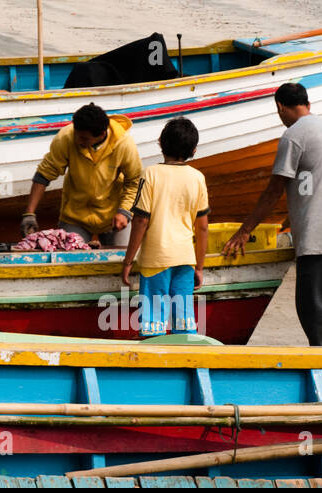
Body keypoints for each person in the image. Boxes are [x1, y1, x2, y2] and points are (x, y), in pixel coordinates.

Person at [223, 82, 322, 345]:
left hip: (317, 237)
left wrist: (244, 231)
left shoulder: (294, 136)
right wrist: (287, 221)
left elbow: (274, 190)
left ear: (280, 107)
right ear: (306, 103)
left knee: (313, 310)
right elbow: (316, 185)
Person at [121, 117, 209, 337]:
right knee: (184, 322)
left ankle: (154, 368)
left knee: (153, 324)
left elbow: (141, 220)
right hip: (185, 259)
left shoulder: (150, 174)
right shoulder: (197, 178)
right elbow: (203, 228)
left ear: (161, 143)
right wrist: (199, 266)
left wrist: (128, 260)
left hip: (156, 259)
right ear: (194, 150)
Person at [20, 103, 143, 248]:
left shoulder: (124, 144)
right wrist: (29, 213)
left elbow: (134, 181)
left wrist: (125, 212)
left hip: (113, 214)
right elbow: (44, 175)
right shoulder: (65, 138)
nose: (78, 141)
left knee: (123, 258)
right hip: (75, 216)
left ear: (102, 134)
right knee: (68, 261)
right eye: (76, 135)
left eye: (84, 138)